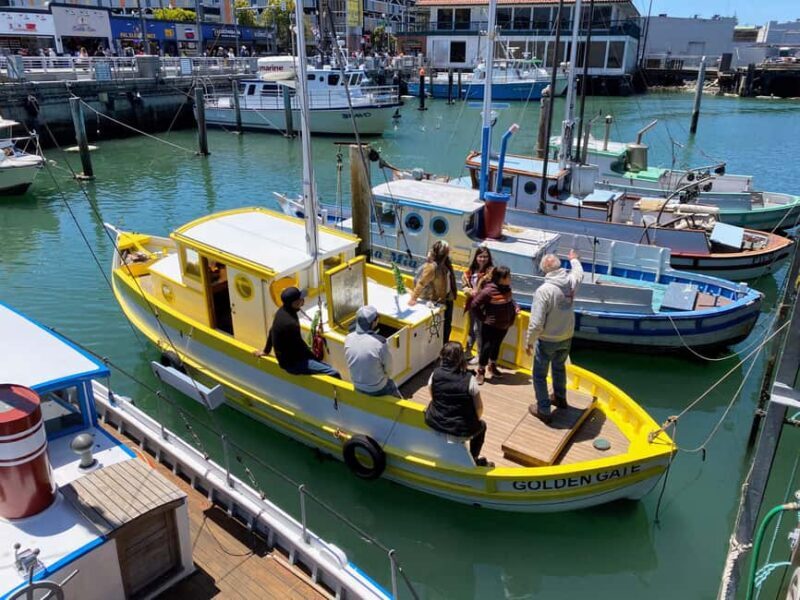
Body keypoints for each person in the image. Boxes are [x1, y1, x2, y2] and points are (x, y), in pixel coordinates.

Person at [524, 251, 583, 424]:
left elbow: (536, 323)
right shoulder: (571, 282)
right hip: (566, 336)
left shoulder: (544, 290)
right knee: (559, 367)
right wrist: (573, 259)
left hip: (548, 339)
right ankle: (560, 398)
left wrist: (529, 341)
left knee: (539, 375)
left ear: (544, 270)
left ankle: (543, 409)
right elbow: (579, 273)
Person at [424, 342, 492, 467]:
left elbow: (433, 396)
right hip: (459, 429)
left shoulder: (435, 374)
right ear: (461, 358)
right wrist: (473, 420)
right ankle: (473, 459)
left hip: (435, 422)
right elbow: (479, 409)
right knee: (482, 426)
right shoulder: (470, 380)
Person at [255, 287, 340, 378]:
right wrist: (315, 358)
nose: (303, 300)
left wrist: (266, 351)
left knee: (323, 365)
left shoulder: (281, 311)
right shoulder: (291, 323)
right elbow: (300, 346)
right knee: (333, 372)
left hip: (286, 359)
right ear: (295, 303)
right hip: (293, 365)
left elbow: (272, 331)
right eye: (301, 298)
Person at [471, 265, 519, 385]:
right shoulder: (488, 291)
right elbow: (474, 305)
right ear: (501, 278)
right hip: (490, 326)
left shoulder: (507, 289)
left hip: (504, 325)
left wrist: (515, 307)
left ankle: (492, 366)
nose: (510, 278)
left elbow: (510, 301)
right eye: (508, 276)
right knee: (486, 348)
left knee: (496, 346)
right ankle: (481, 371)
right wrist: (483, 318)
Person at [344, 305, 401, 397]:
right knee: (392, 386)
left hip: (357, 385)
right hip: (376, 388)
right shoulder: (380, 342)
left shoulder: (348, 338)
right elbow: (389, 370)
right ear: (374, 322)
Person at [408, 240, 457, 343]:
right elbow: (421, 283)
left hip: (448, 299)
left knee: (447, 325)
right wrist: (413, 298)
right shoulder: (431, 267)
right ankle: (440, 348)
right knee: (439, 328)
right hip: (438, 302)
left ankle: (445, 345)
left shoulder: (446, 263)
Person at [462, 245, 494, 361]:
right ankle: (468, 351)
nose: (482, 259)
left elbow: (492, 289)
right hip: (472, 304)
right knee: (472, 328)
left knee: (478, 329)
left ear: (489, 258)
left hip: (484, 306)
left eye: (485, 257)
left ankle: (481, 355)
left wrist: (479, 293)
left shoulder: (491, 272)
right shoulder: (470, 271)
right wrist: (470, 291)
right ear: (476, 257)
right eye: (480, 256)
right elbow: (464, 286)